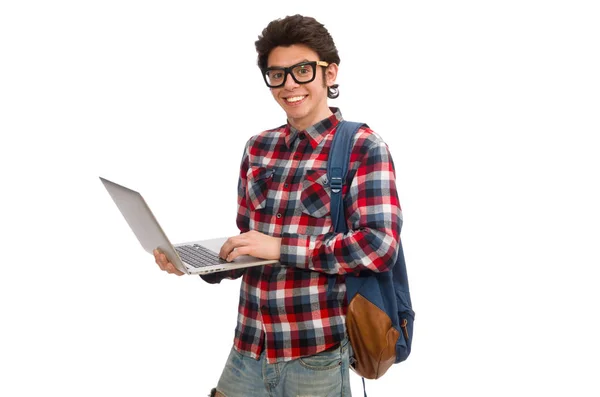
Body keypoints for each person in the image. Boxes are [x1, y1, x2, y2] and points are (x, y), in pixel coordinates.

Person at [154, 14, 403, 397]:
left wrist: (281, 248)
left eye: (303, 70)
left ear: (330, 73)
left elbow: (378, 247)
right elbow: (250, 242)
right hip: (248, 347)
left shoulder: (363, 147)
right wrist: (201, 264)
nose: (289, 85)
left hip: (315, 356)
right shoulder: (259, 147)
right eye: (277, 74)